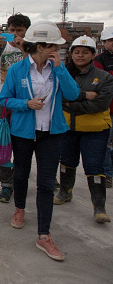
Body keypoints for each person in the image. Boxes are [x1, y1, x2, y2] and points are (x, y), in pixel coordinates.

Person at [0, 20, 80, 261]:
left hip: (52, 133)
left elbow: (74, 95)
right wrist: (26, 104)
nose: (58, 50)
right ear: (41, 46)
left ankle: (44, 235)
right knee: (21, 174)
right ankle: (20, 209)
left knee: (45, 183)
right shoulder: (17, 70)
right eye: (54, 45)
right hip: (23, 132)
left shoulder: (58, 69)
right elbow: (5, 99)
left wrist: (60, 70)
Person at [55, 36, 113, 223]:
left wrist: (71, 102)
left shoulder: (104, 77)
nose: (80, 55)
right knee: (67, 161)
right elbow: (58, 98)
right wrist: (82, 98)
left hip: (95, 130)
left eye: (85, 52)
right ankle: (65, 192)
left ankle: (99, 206)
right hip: (68, 128)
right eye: (77, 52)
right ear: (71, 54)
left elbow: (101, 104)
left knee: (94, 166)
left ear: (93, 54)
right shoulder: (63, 74)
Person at [0, 13, 31, 203]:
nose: (15, 34)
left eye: (20, 31)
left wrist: (23, 48)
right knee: (2, 143)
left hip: (24, 101)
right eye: (12, 30)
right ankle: (6, 185)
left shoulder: (30, 48)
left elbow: (36, 69)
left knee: (24, 144)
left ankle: (20, 182)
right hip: (0, 100)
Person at [93, 26, 113, 189]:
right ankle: (107, 174)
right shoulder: (99, 61)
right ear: (104, 42)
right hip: (108, 109)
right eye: (111, 41)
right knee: (105, 144)